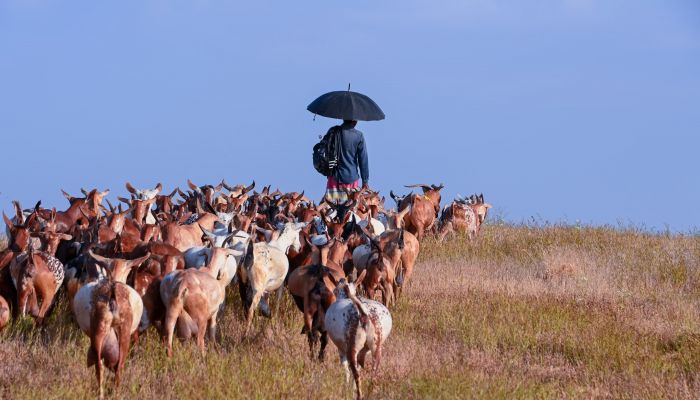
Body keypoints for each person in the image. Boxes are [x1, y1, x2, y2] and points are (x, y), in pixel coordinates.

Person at [324, 120, 369, 203]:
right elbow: (363, 160)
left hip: (334, 178)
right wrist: (365, 181)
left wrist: (328, 169)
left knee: (331, 210)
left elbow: (326, 152)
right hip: (351, 179)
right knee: (349, 210)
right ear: (355, 121)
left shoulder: (333, 131)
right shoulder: (359, 136)